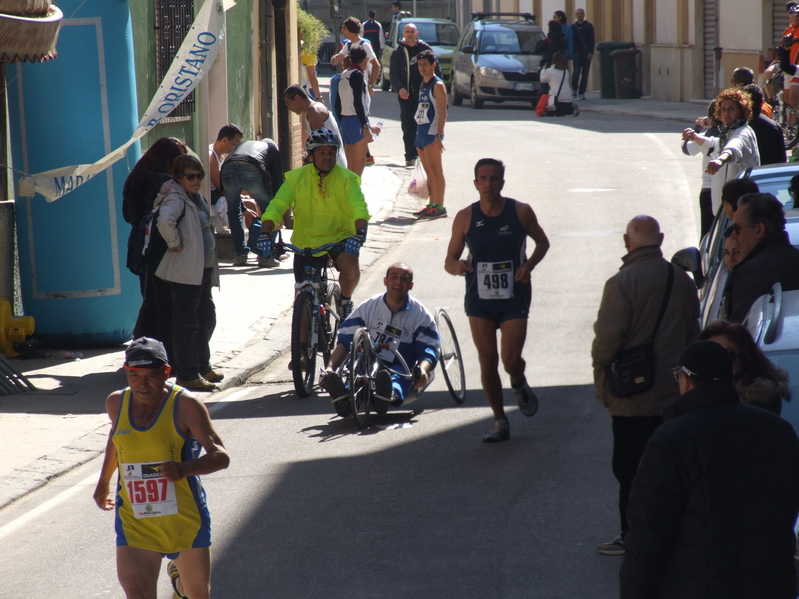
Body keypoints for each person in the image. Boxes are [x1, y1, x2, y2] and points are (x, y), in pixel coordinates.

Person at [620, 340, 799, 599]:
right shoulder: (778, 431)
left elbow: (646, 538)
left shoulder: (671, 442)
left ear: (685, 381)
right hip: (772, 586)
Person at [591, 215, 700, 556]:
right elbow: (692, 334)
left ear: (627, 243)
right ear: (661, 239)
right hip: (674, 395)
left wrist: (602, 383)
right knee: (671, 467)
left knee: (630, 469)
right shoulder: (681, 280)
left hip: (631, 397)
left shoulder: (621, 283)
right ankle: (675, 530)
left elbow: (607, 341)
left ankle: (633, 534)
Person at [93, 337, 230, 599]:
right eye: (134, 375)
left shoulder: (186, 406)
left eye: (150, 376)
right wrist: (104, 481)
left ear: (166, 373)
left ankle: (179, 585)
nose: (142, 384)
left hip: (184, 519)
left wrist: (184, 469)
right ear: (126, 373)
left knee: (197, 595)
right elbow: (117, 440)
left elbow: (221, 456)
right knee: (137, 592)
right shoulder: (116, 404)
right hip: (136, 519)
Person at [444, 158, 550, 443]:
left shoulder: (521, 212)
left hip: (514, 293)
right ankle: (499, 419)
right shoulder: (465, 216)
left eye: (494, 179)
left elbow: (543, 242)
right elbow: (449, 260)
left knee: (510, 360)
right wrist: (459, 267)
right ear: (475, 183)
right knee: (487, 359)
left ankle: (518, 381)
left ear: (502, 182)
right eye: (483, 178)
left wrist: (528, 266)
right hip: (479, 296)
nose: (488, 184)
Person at [257, 129, 370, 319]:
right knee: (303, 300)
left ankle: (344, 301)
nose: (327, 157)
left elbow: (359, 207)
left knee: (351, 264)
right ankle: (303, 344)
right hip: (306, 242)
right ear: (311, 156)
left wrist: (360, 233)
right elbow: (276, 206)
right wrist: (264, 233)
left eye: (331, 153)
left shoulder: (347, 179)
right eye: (321, 152)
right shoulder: (296, 179)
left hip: (339, 237)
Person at [322, 263, 439, 417]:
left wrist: (423, 370)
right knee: (355, 372)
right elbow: (345, 341)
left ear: (411, 285)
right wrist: (330, 368)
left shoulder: (421, 315)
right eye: (394, 277)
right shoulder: (369, 307)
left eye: (404, 279)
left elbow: (429, 349)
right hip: (367, 361)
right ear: (385, 280)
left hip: (400, 364)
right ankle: (345, 397)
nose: (398, 282)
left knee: (398, 376)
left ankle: (388, 394)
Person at [154, 155, 221, 392]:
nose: (196, 180)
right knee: (187, 324)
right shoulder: (175, 197)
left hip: (201, 271)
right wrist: (174, 243)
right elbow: (165, 221)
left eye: (199, 176)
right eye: (190, 176)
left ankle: (203, 367)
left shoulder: (196, 198)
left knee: (205, 318)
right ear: (178, 178)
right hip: (185, 272)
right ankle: (188, 374)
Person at [122, 137, 188, 353]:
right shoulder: (164, 181)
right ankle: (150, 351)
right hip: (158, 244)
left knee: (149, 297)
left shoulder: (135, 178)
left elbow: (126, 215)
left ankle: (143, 347)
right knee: (160, 302)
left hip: (138, 243)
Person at [682, 88, 759, 216]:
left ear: (742, 111)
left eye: (731, 109)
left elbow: (734, 148)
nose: (726, 113)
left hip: (740, 210)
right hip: (724, 211)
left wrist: (720, 160)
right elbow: (713, 145)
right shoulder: (726, 133)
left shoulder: (743, 132)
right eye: (723, 109)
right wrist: (695, 137)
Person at [724, 192, 799, 322]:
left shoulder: (753, 272)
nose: (734, 236)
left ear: (759, 230)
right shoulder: (795, 259)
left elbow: (739, 336)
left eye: (737, 228)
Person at [700, 321, 791, 415]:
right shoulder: (694, 399)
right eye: (710, 355)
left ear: (745, 359)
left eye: (728, 355)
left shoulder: (761, 404)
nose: (719, 362)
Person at [219, 137, 285, 267]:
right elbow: (278, 184)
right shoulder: (272, 150)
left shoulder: (245, 144)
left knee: (233, 211)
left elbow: (231, 165)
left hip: (227, 169)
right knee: (271, 211)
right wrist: (279, 212)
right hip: (250, 168)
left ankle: (240, 255)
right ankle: (265, 255)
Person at [389, 23, 442, 167]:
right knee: (408, 126)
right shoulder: (398, 52)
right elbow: (393, 74)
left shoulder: (425, 49)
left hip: (424, 94)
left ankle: (424, 154)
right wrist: (400, 88)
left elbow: (437, 69)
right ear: (403, 34)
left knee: (425, 124)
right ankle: (410, 156)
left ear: (417, 34)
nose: (409, 34)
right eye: (407, 32)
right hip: (406, 95)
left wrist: (438, 89)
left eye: (412, 32)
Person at [412, 50, 448, 220]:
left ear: (433, 65)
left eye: (425, 64)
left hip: (431, 134)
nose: (422, 67)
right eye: (419, 64)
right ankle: (432, 204)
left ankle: (439, 206)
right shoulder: (423, 85)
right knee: (428, 171)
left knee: (436, 170)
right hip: (421, 132)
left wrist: (439, 136)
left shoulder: (437, 85)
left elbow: (442, 112)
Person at [284, 84, 348, 168]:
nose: (289, 108)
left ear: (297, 98)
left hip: (333, 165)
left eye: (288, 103)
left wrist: (307, 161)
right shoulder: (311, 109)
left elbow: (320, 143)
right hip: (330, 163)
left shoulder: (313, 111)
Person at [335, 45, 375, 177]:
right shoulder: (357, 75)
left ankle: (348, 195)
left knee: (350, 166)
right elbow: (358, 102)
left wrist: (342, 122)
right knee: (359, 165)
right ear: (365, 59)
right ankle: (355, 195)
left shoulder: (343, 74)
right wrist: (365, 125)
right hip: (356, 120)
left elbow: (337, 104)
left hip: (345, 120)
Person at [682, 101, 720, 237]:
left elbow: (686, 149)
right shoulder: (733, 135)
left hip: (708, 189)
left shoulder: (704, 136)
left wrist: (697, 129)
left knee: (707, 233)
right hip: (727, 189)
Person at [331, 17, 380, 95]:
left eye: (344, 28)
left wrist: (370, 85)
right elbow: (336, 60)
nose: (342, 31)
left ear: (351, 29)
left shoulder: (365, 45)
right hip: (350, 85)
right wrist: (335, 59)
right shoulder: (348, 45)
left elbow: (376, 65)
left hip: (362, 85)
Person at [742, 83, 786, 164]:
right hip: (771, 173)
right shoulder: (774, 126)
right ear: (762, 102)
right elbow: (782, 158)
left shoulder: (741, 126)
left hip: (750, 174)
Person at [208, 124, 243, 206]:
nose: (236, 148)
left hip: (222, 195)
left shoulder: (221, 156)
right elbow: (221, 187)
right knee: (248, 204)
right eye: (234, 144)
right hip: (215, 199)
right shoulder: (211, 156)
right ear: (224, 140)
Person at [539, 52, 579, 117]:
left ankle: (549, 110)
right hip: (568, 98)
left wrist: (543, 70)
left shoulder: (550, 71)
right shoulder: (566, 71)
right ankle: (571, 110)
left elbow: (543, 80)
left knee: (542, 93)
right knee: (564, 111)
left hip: (556, 99)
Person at [570, 8, 594, 100]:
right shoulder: (573, 28)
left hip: (586, 53)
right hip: (576, 53)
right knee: (576, 72)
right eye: (577, 14)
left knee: (585, 73)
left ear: (584, 15)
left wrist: (591, 52)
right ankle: (574, 89)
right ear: (575, 16)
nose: (579, 15)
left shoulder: (588, 26)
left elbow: (592, 40)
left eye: (581, 14)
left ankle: (582, 92)